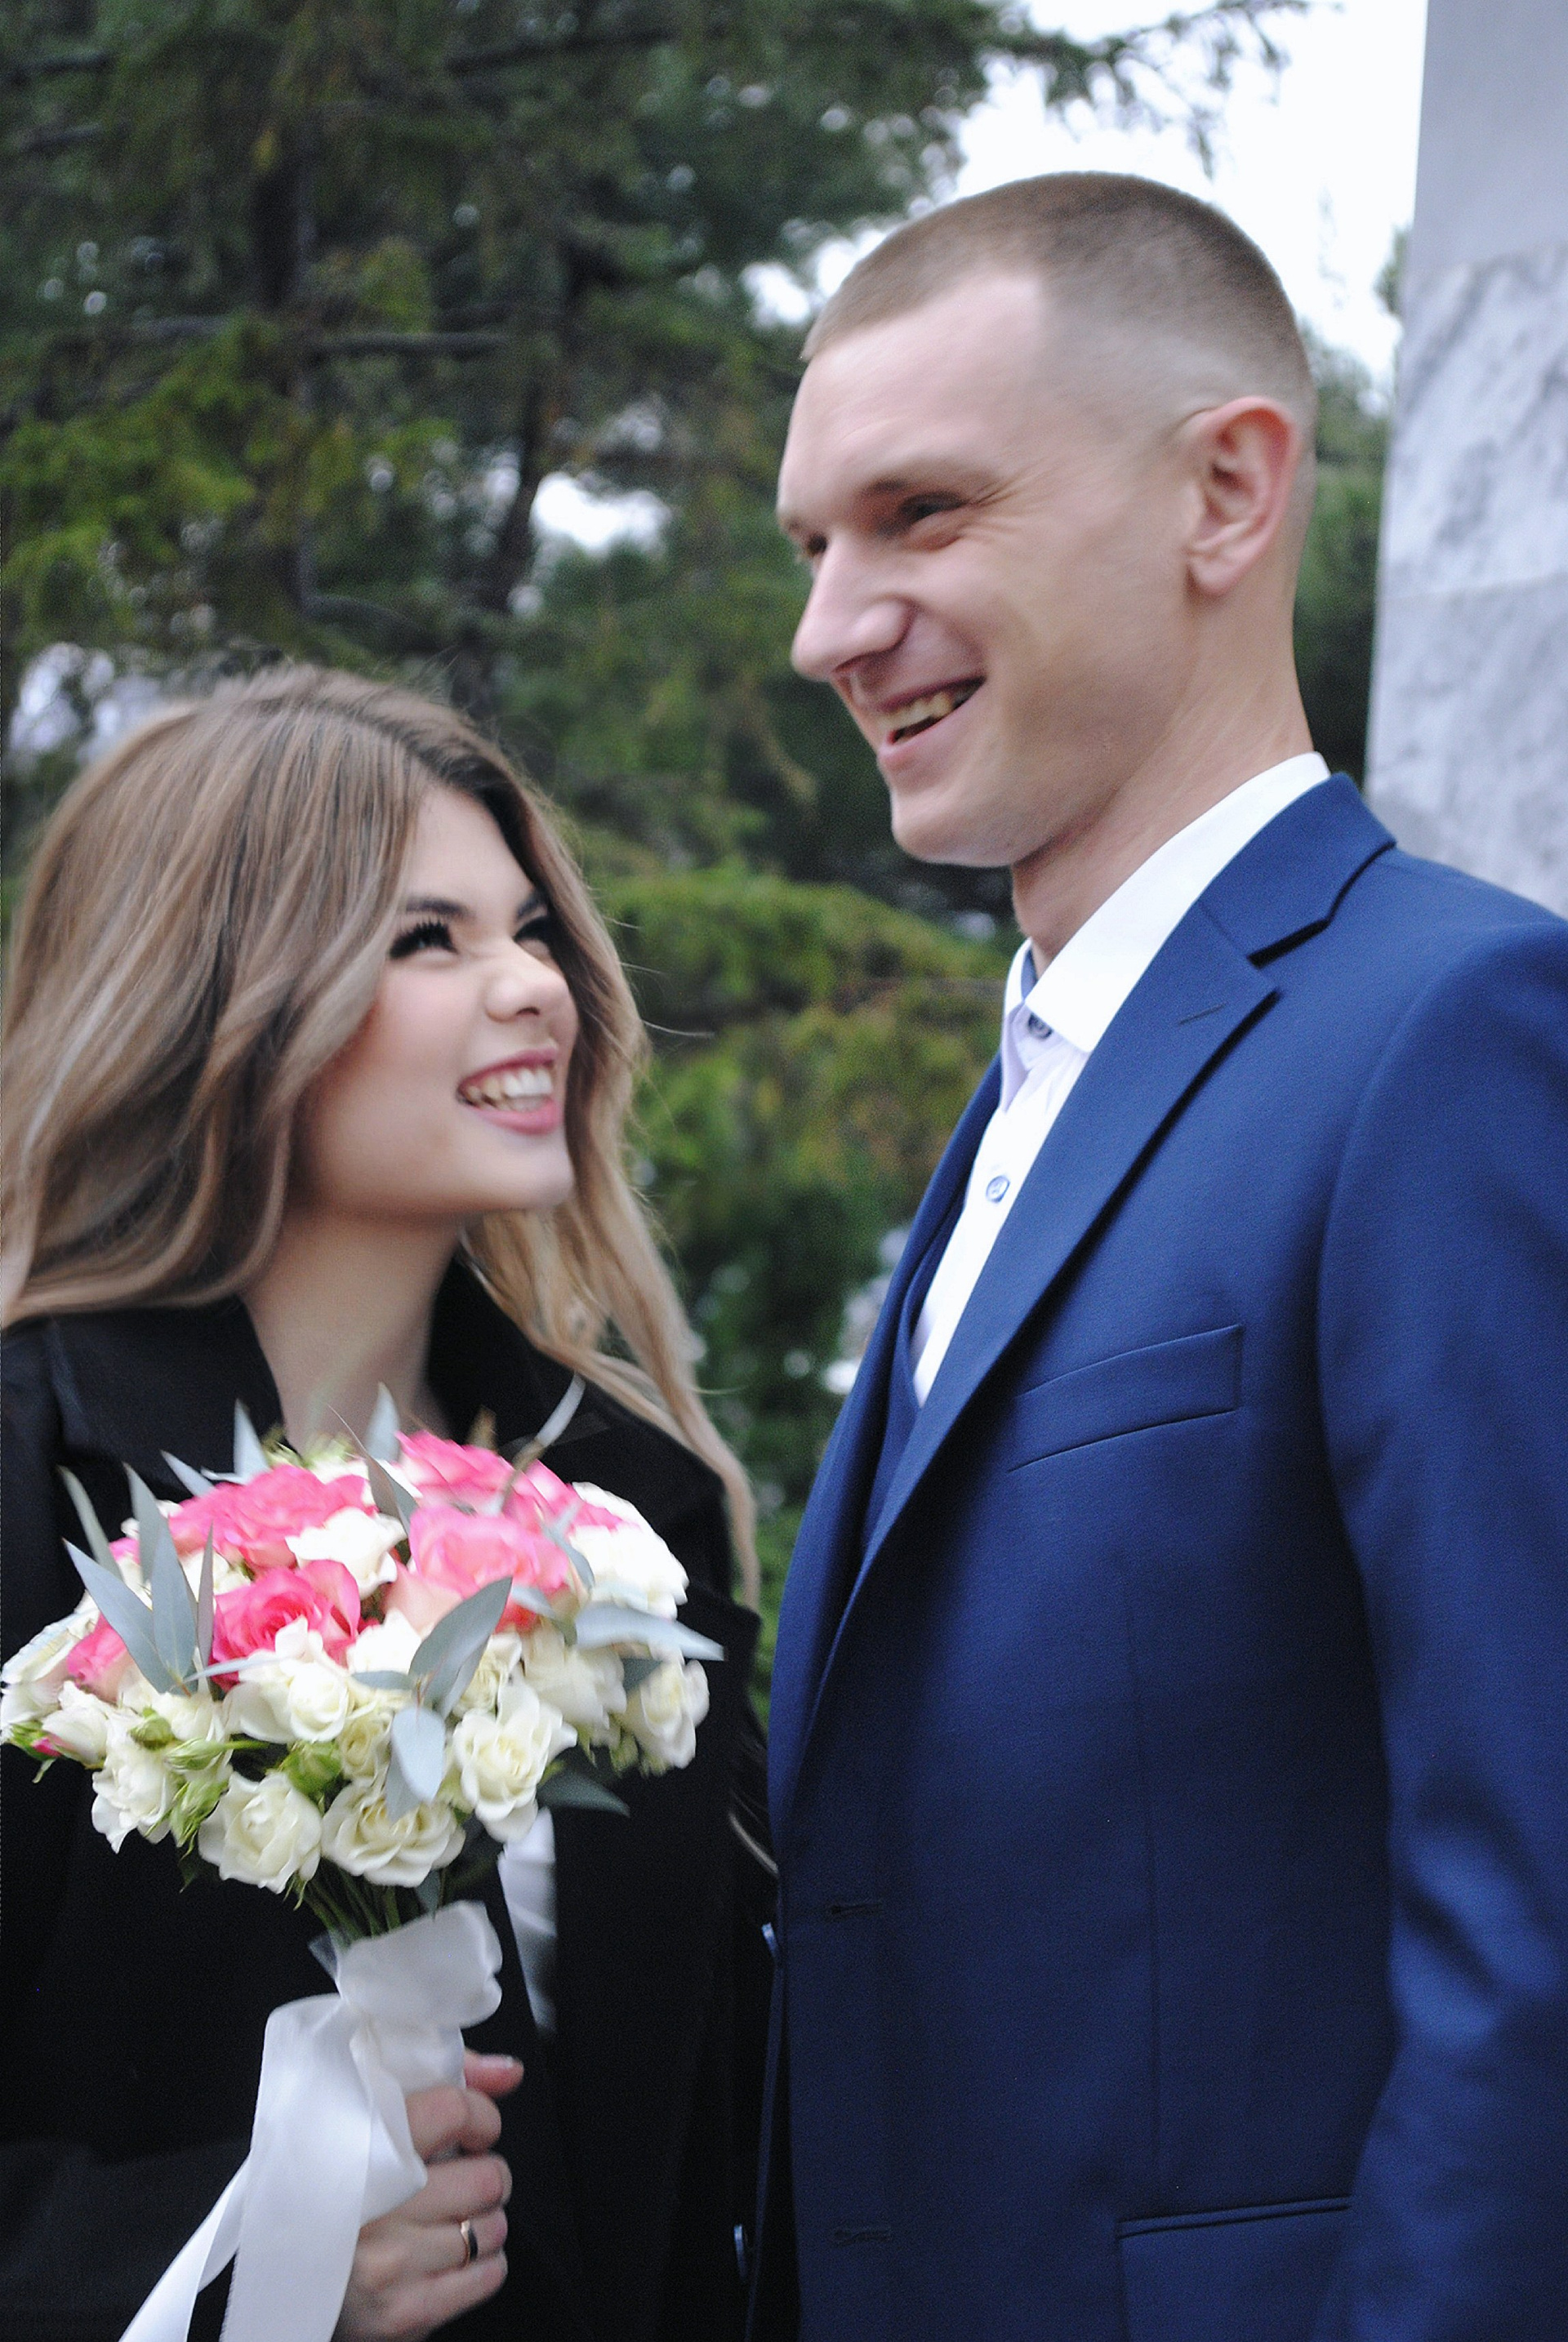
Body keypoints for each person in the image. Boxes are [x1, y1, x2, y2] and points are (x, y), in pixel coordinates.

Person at [755, 174, 1568, 2342]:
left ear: (1225, 492)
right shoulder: (1030, 1091)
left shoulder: (1454, 1036)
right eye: (813, 546)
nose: (830, 628)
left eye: (921, 513)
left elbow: (1537, 1920)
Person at [0, 667, 774, 2342]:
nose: (535, 985)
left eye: (533, 931)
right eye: (430, 939)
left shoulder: (639, 1511)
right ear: (227, 1001)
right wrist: (250, 2268)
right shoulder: (28, 1474)